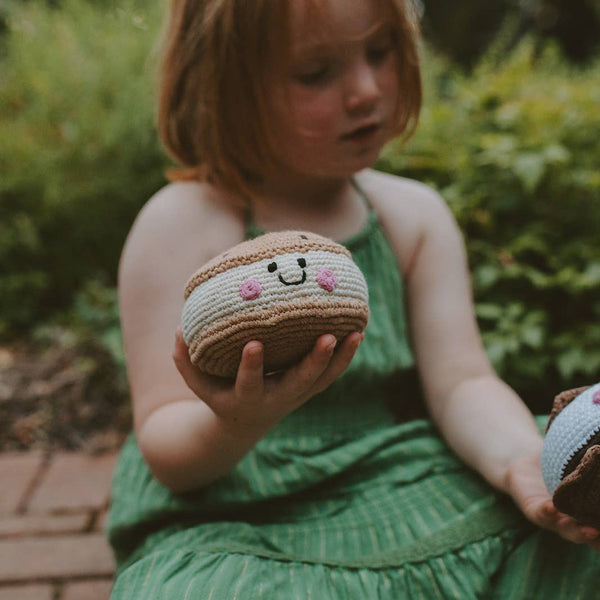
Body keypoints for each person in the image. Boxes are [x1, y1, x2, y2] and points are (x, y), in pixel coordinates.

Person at [107, 0, 600, 597]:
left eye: (380, 51)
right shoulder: (180, 227)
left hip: (404, 489)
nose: (366, 90)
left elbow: (462, 382)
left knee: (573, 550)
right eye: (315, 72)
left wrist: (518, 458)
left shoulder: (411, 217)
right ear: (225, 85)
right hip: (239, 522)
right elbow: (166, 449)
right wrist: (236, 424)